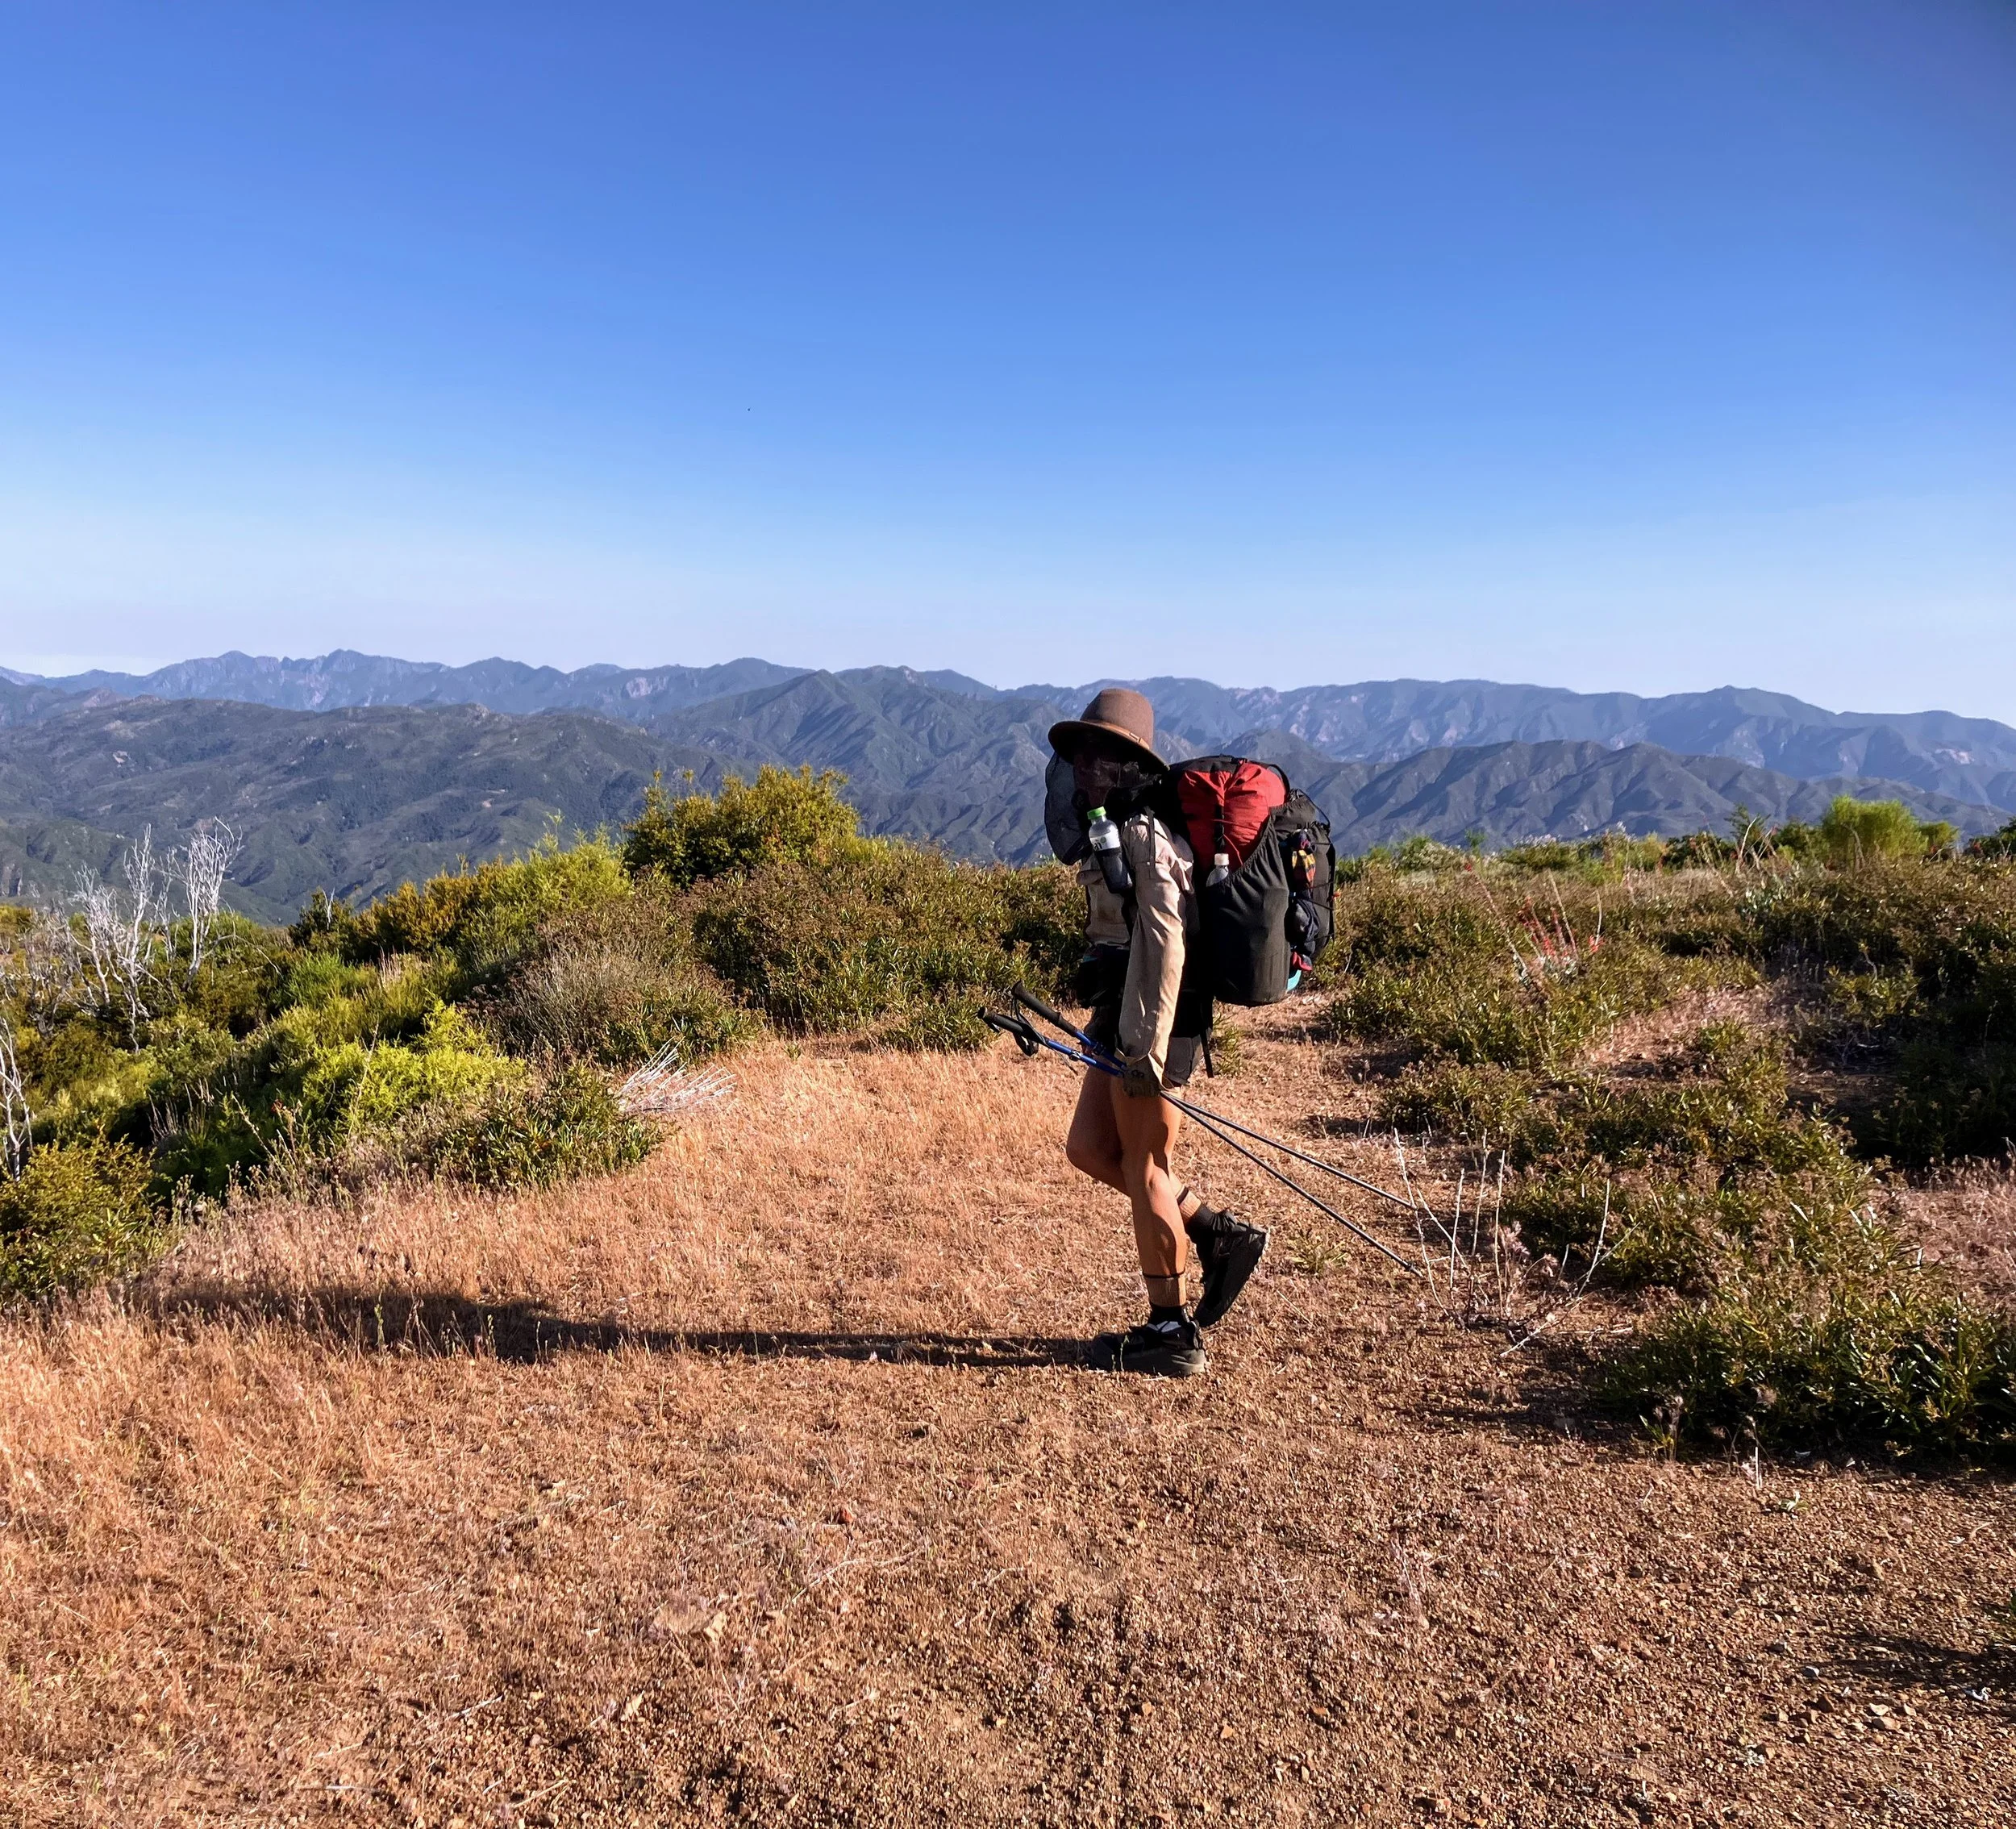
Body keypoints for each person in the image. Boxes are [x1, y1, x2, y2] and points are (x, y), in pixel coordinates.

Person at [1048, 688, 1270, 1377]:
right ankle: (1216, 1232)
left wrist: (1143, 1045)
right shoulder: (1113, 825)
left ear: (1129, 762)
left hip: (1155, 1022)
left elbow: (1167, 941)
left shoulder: (1145, 832)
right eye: (1080, 752)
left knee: (1146, 1167)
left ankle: (1170, 1331)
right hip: (1125, 1011)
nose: (1085, 765)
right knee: (1089, 1147)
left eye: (1100, 753)